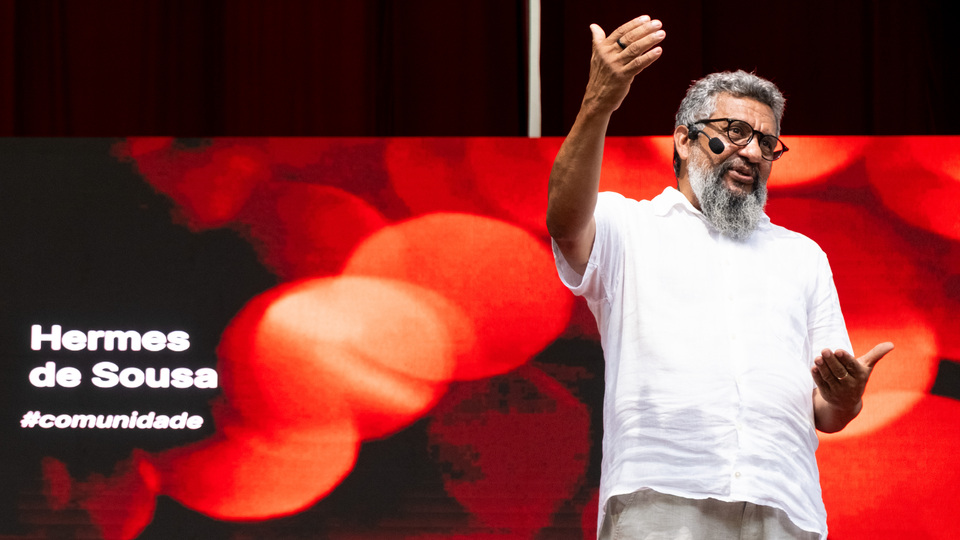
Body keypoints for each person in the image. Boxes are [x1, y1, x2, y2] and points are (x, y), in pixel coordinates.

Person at [545, 15, 894, 540]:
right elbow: (564, 222)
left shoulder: (801, 256)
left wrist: (846, 398)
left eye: (767, 143)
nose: (753, 152)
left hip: (785, 507)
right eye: (736, 133)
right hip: (661, 495)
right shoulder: (629, 226)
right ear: (685, 141)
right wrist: (599, 101)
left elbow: (826, 410)